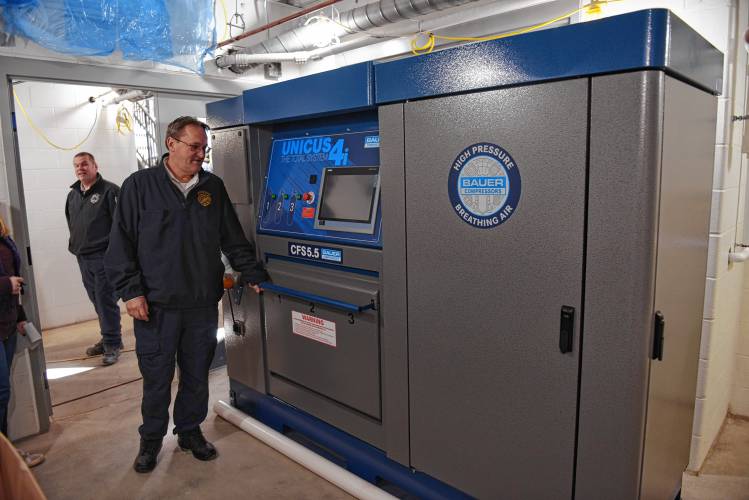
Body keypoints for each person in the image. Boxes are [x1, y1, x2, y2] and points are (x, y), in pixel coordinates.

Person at [104, 116, 267, 474]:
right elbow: (120, 247)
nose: (200, 155)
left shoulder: (212, 186)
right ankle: (150, 441)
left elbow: (231, 237)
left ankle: (190, 432)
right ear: (171, 143)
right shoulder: (139, 186)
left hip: (199, 302)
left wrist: (252, 272)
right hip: (156, 306)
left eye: (203, 148)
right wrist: (131, 293)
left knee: (196, 374)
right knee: (157, 378)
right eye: (194, 146)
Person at [65, 152, 122, 365]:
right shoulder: (73, 194)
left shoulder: (110, 191)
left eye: (84, 164)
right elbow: (72, 222)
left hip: (104, 257)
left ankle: (112, 345)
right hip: (83, 257)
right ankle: (109, 337)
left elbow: (120, 226)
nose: (80, 168)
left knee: (106, 301)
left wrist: (114, 255)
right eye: (76, 165)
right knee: (97, 300)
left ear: (95, 166)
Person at [0, 214, 44, 468]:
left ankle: (6, 456)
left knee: (3, 394)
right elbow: (9, 280)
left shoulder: (4, 235)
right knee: (1, 393)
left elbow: (14, 274)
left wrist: (20, 316)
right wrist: (7, 284)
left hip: (6, 323)